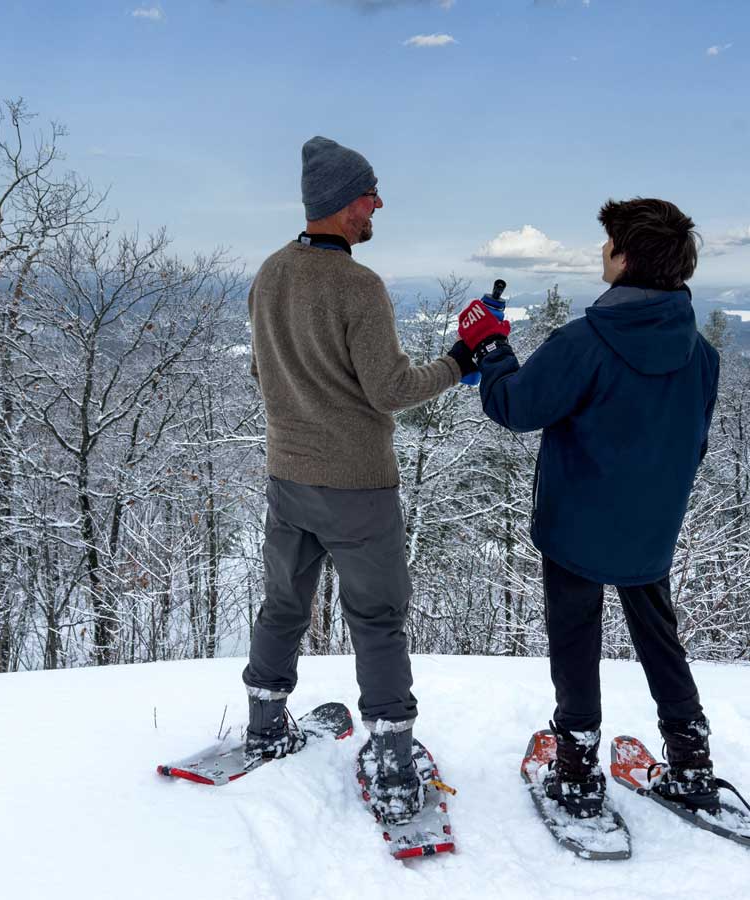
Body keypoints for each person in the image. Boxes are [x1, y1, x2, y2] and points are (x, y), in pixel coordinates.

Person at [456, 197, 721, 819]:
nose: (601, 253)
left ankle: (576, 771)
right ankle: (691, 760)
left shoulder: (585, 341)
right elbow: (696, 442)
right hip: (652, 524)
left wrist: (491, 350)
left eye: (608, 245)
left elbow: (516, 408)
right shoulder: (702, 354)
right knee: (659, 635)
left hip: (576, 520)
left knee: (575, 636)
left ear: (626, 258)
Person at [242, 136, 480, 824]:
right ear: (348, 206)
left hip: (289, 475)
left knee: (283, 603)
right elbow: (389, 389)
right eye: (372, 193)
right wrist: (460, 360)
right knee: (376, 618)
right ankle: (395, 758)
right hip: (357, 486)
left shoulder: (269, 273)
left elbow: (264, 372)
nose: (379, 203)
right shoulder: (357, 285)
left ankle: (263, 722)